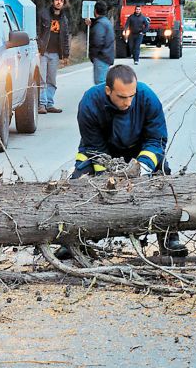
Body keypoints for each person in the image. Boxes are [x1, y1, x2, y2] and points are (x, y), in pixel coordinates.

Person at [62, 65, 188, 258]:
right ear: (108, 90)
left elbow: (157, 139)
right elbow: (94, 146)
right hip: (100, 150)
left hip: (139, 149)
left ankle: (169, 239)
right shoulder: (90, 102)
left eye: (131, 96)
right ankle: (72, 241)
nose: (128, 102)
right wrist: (106, 177)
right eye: (121, 97)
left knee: (162, 180)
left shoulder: (147, 97)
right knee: (78, 183)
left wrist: (142, 168)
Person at [37, 0, 70, 114]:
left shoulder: (64, 19)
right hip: (43, 52)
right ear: (52, 1)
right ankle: (42, 104)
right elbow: (38, 30)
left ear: (63, 4)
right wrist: (37, 47)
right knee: (41, 79)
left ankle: (49, 103)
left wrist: (65, 55)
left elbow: (65, 37)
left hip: (55, 53)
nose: (58, 2)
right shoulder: (44, 14)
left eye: (61, 0)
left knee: (52, 79)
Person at [85, 1, 115, 85]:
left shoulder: (100, 24)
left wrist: (93, 55)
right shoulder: (105, 22)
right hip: (107, 56)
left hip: (101, 56)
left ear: (95, 10)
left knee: (100, 83)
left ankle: (103, 98)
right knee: (103, 82)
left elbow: (97, 41)